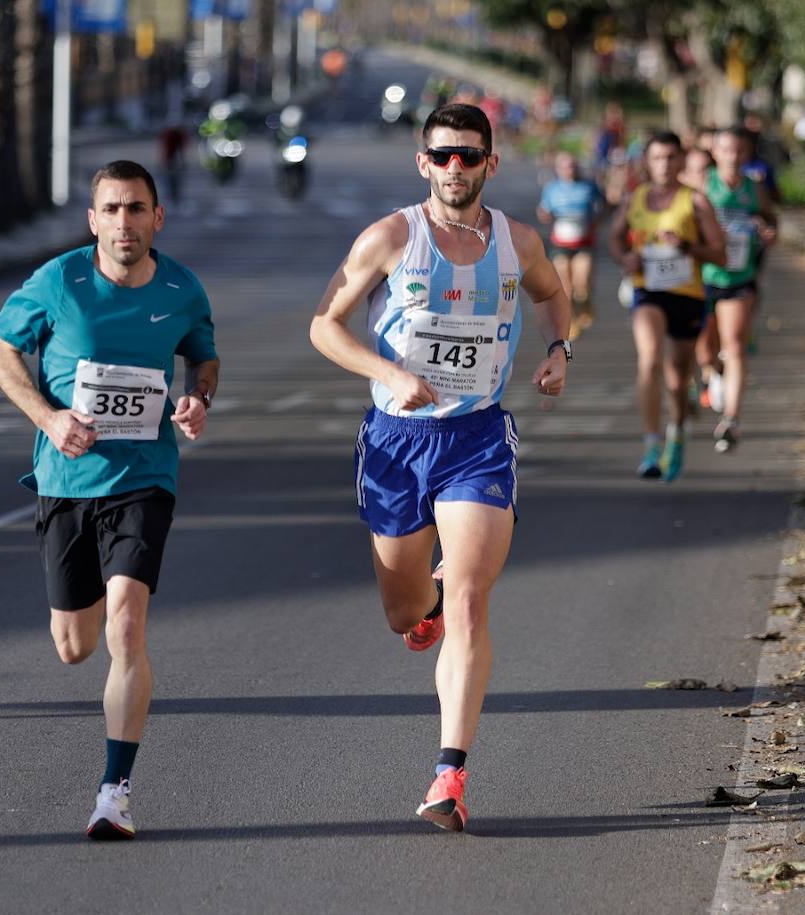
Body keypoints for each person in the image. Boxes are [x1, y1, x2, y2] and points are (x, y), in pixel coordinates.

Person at [308, 103, 572, 832]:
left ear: (491, 163)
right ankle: (424, 603)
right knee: (406, 610)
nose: (456, 167)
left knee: (470, 601)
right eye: (443, 154)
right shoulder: (391, 238)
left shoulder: (518, 242)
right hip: (397, 443)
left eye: (470, 155)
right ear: (423, 162)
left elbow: (554, 297)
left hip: (477, 439)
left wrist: (559, 351)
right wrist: (389, 373)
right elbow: (325, 325)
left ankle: (449, 774)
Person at [0, 160, 219, 841]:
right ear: (93, 220)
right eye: (111, 209)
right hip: (66, 480)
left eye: (136, 208)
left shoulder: (181, 288)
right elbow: (0, 353)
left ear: (157, 217)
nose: (124, 222)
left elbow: (203, 357)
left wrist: (199, 398)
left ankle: (114, 792)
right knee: (74, 644)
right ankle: (110, 765)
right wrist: (49, 418)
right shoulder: (58, 282)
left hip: (145, 477)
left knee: (126, 625)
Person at [608, 132, 725, 483]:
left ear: (681, 160)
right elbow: (615, 238)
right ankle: (651, 445)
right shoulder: (635, 198)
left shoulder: (696, 201)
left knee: (677, 380)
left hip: (686, 295)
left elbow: (719, 253)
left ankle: (676, 433)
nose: (664, 165)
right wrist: (625, 258)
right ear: (647, 161)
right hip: (647, 290)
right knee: (649, 360)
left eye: (671, 157)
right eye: (657, 157)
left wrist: (686, 246)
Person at [702, 127, 778, 452]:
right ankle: (711, 373)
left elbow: (770, 219)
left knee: (734, 346)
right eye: (726, 150)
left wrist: (768, 231)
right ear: (715, 152)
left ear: (746, 154)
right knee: (706, 350)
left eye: (738, 151)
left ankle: (731, 419)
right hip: (703, 277)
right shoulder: (702, 185)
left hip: (739, 277)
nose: (732, 157)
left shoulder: (753, 188)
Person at [537, 151, 606, 339]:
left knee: (581, 283)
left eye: (573, 166)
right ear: (558, 169)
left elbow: (603, 205)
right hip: (560, 244)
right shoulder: (552, 189)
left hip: (584, 243)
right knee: (565, 287)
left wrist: (597, 221)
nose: (570, 170)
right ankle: (572, 321)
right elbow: (543, 210)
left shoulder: (589, 186)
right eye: (565, 166)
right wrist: (544, 215)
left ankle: (585, 300)